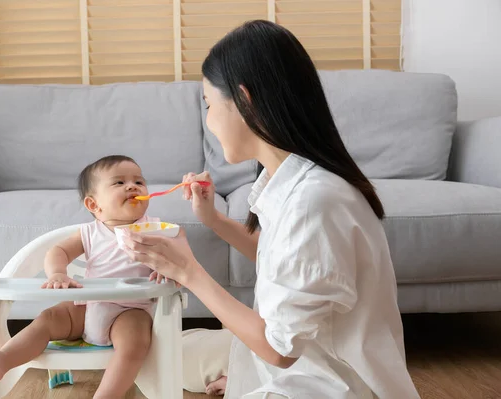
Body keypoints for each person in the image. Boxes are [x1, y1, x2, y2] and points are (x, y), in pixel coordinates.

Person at [121, 20, 421, 398]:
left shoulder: (315, 202)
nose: (209, 121)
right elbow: (282, 256)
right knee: (151, 356)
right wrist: (212, 219)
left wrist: (188, 271)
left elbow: (279, 350)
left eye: (210, 105)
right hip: (298, 354)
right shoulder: (295, 182)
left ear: (245, 101)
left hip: (329, 382)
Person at [0, 155, 167, 399]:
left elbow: (173, 256)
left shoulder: (154, 229)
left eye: (139, 181)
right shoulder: (89, 232)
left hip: (130, 310)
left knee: (135, 344)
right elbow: (57, 252)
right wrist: (58, 273)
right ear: (94, 205)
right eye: (118, 183)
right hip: (86, 308)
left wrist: (165, 268)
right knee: (49, 318)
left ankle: (106, 395)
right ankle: (2, 360)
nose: (132, 186)